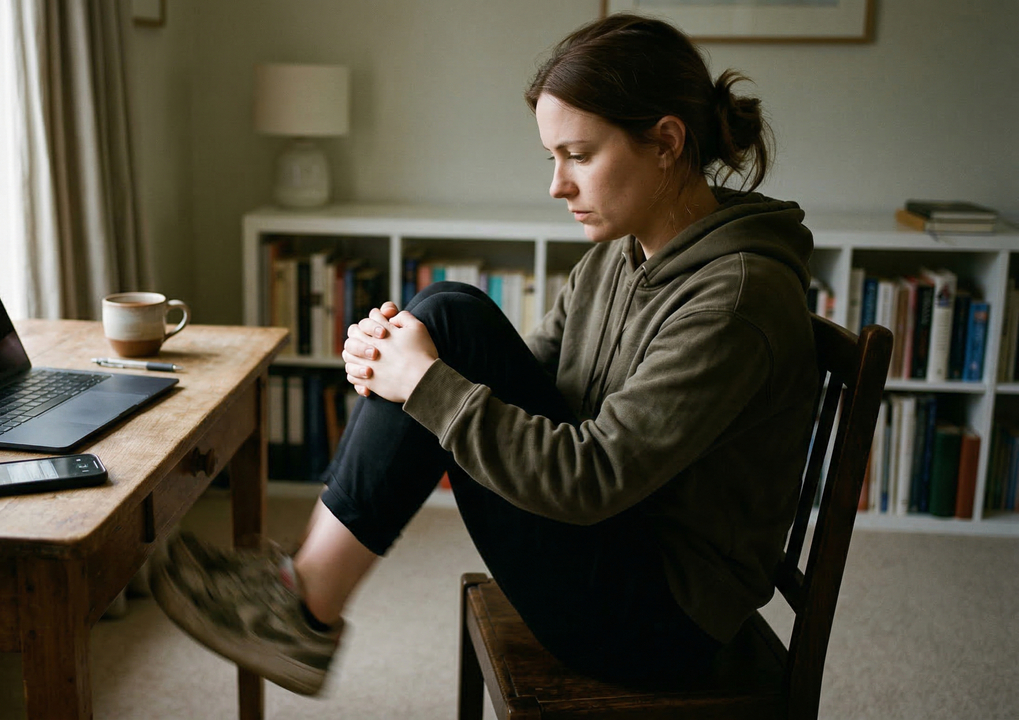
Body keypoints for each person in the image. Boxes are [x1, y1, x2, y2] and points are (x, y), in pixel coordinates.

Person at [150, 12, 818, 696]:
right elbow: (517, 376)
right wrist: (398, 363)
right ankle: (302, 592)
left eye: (579, 155)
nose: (556, 185)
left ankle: (304, 602)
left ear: (667, 141)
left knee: (444, 326)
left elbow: (590, 479)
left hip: (658, 622)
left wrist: (425, 382)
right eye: (551, 158)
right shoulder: (622, 257)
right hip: (612, 551)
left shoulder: (735, 301)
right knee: (446, 313)